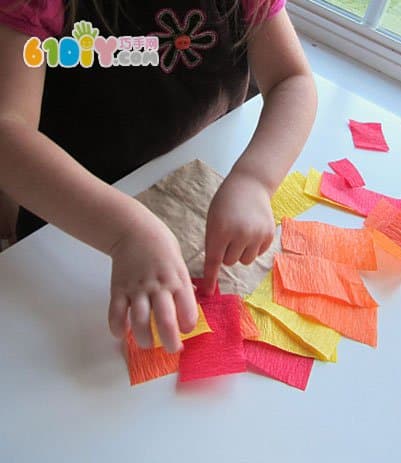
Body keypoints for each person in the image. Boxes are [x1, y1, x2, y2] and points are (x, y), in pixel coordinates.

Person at [0, 0, 317, 353]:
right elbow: (7, 132)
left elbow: (292, 80)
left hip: (190, 195)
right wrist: (126, 231)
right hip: (72, 222)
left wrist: (255, 180)